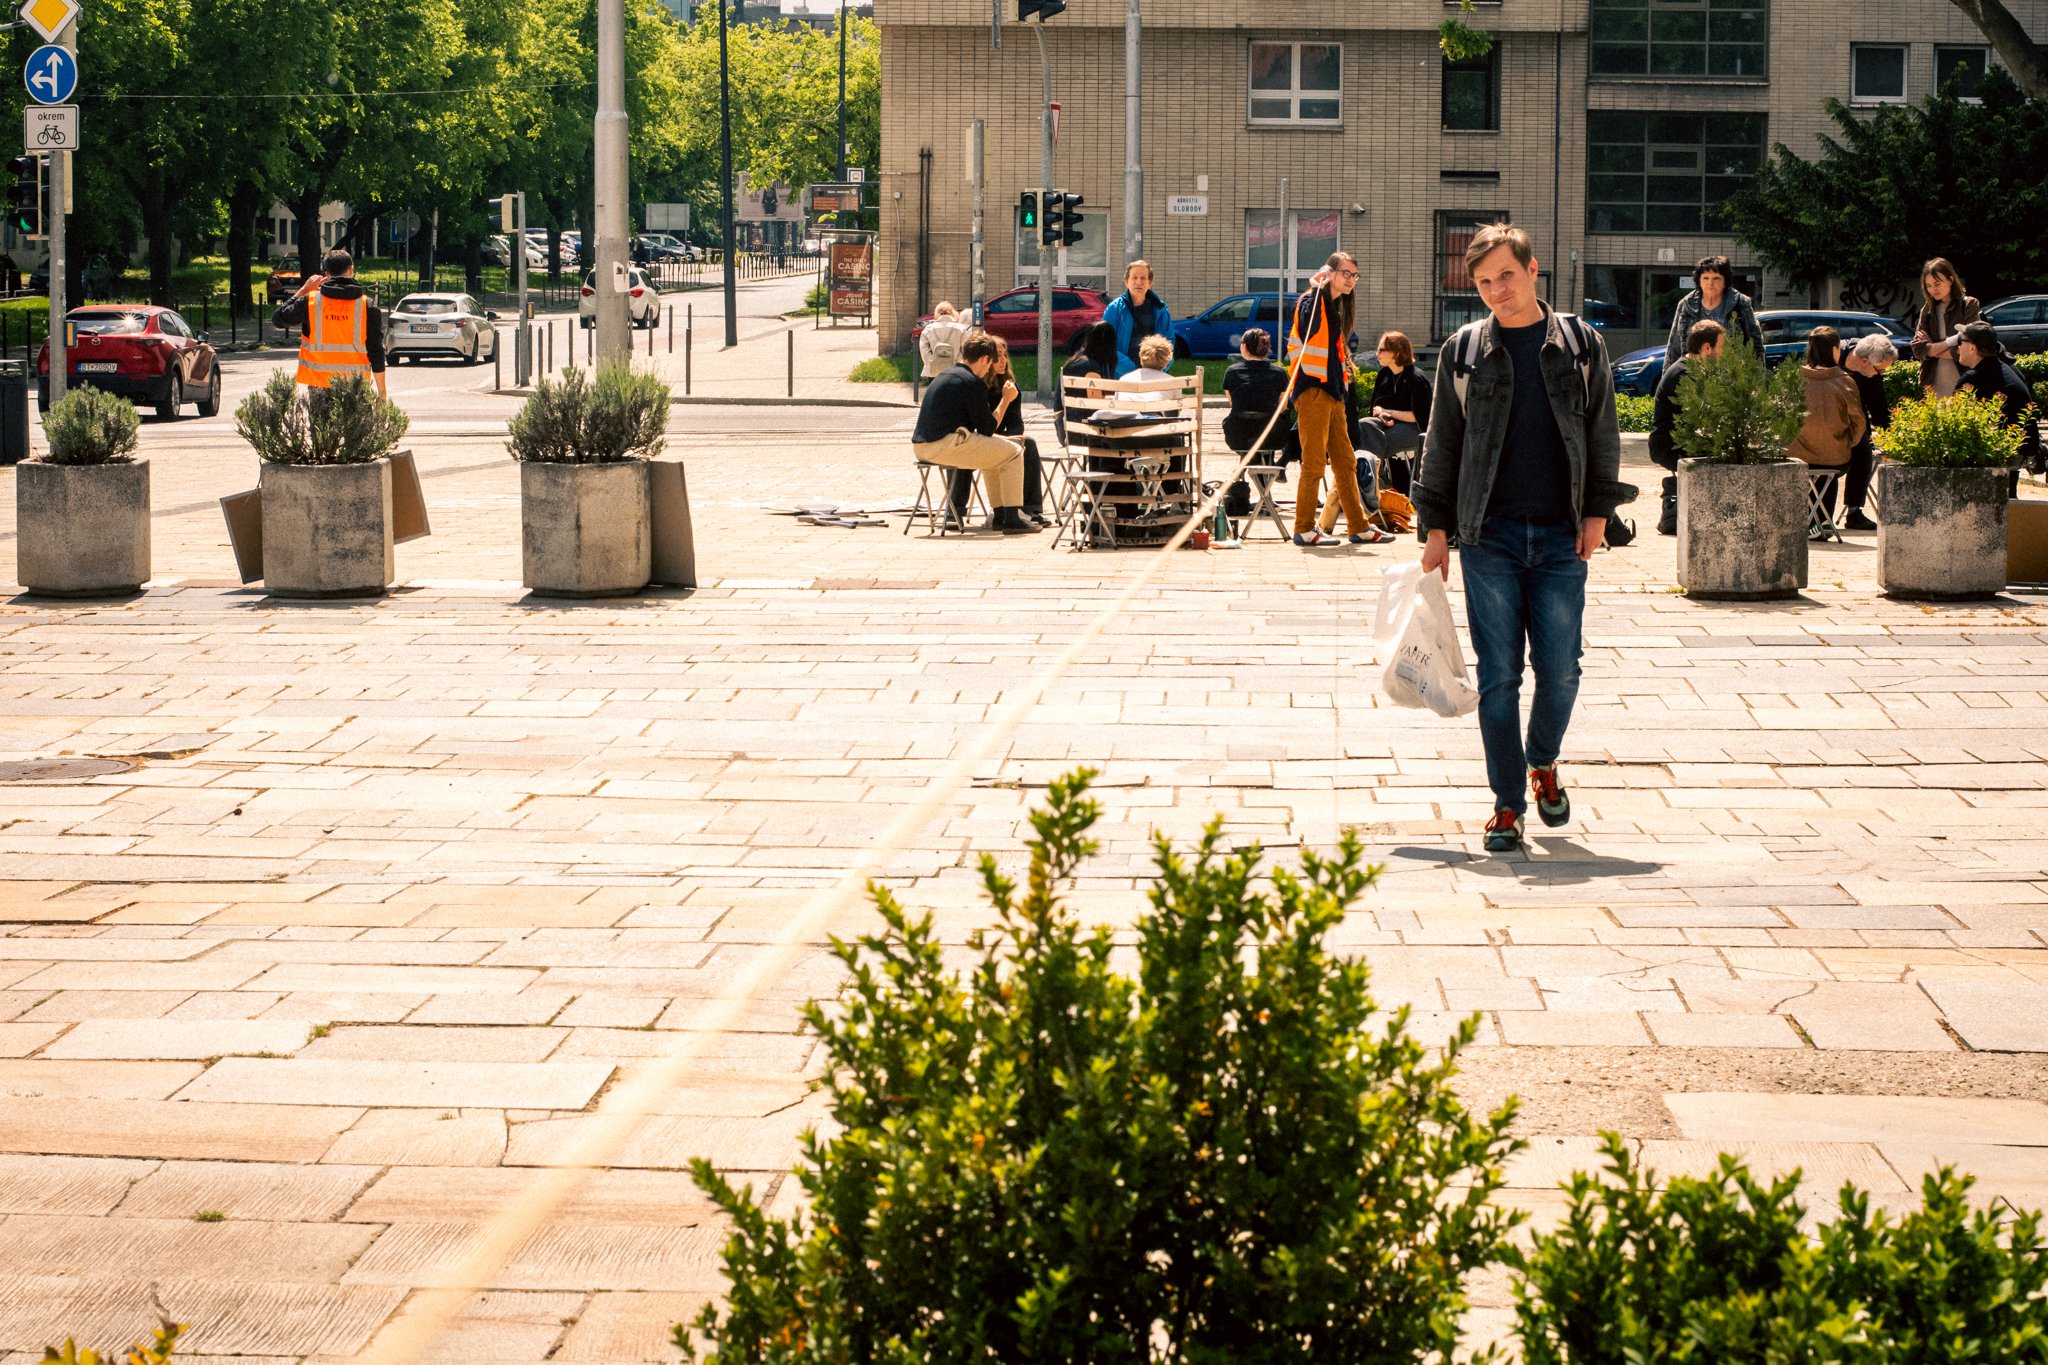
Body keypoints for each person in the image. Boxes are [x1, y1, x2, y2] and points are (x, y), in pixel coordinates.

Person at [1412, 222, 1630, 854]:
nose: (1495, 291)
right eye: (1482, 283)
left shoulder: (1582, 345)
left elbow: (1603, 434)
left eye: (1505, 275)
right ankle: (1507, 804)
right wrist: (1436, 529)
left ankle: (1543, 761)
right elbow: (1441, 446)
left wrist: (1597, 513)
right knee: (1499, 676)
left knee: (1561, 670)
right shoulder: (1464, 351)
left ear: (1534, 272)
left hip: (1563, 533)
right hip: (1490, 536)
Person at [910, 329, 1037, 534]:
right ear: (985, 359)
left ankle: (1000, 516)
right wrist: (1005, 400)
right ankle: (1011, 517)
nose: (988, 369)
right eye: (989, 364)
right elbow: (987, 428)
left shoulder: (946, 374)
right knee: (1014, 452)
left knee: (992, 453)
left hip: (922, 446)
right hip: (943, 445)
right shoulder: (972, 382)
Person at [1287, 251, 1374, 547]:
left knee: (1345, 461)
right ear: (1331, 272)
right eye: (1346, 273)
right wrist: (1319, 285)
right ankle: (1303, 528)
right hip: (1312, 391)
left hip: (1332, 392)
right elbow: (1309, 326)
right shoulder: (1313, 301)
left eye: (1354, 275)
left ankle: (1359, 526)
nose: (1351, 280)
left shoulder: (1334, 307)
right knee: (1313, 462)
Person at [954, 336, 1047, 526]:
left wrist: (1013, 437)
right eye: (998, 356)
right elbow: (976, 426)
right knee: (962, 450)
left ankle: (1031, 509)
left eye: (1005, 355)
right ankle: (955, 511)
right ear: (986, 360)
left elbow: (1015, 424)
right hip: (974, 439)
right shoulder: (974, 385)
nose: (1003, 361)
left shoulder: (1010, 388)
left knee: (1028, 443)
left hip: (998, 439)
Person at [273, 247, 388, 398]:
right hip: (355, 386)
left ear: (326, 274)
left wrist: (304, 290)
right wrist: (382, 392)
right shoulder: (367, 305)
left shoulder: (311, 302)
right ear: (351, 270)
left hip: (319, 387)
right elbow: (376, 350)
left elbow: (278, 319)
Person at [1787, 327, 1867, 537]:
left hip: (1797, 455)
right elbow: (1858, 422)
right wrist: (1848, 441)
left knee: (1811, 472)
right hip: (1835, 457)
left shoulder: (1794, 379)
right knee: (1830, 470)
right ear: (1834, 349)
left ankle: (1812, 521)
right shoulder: (1845, 382)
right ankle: (1821, 522)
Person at [1649, 319, 1725, 535]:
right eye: (1721, 347)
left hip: (1678, 441)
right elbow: (1699, 421)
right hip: (1670, 447)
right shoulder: (1684, 375)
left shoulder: (1691, 369)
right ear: (1707, 348)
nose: (1723, 353)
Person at [1957, 320, 2044, 496]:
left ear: (1972, 348)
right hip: (2016, 458)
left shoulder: (1972, 380)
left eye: (1960, 342)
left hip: (1992, 465)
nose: (1957, 347)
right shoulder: (2010, 370)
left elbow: (1955, 427)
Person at [1840, 333, 1898, 531]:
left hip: (1856, 420)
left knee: (1863, 451)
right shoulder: (1836, 353)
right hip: (1826, 418)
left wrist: (1892, 441)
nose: (1881, 375)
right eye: (1880, 371)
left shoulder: (1872, 375)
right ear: (1864, 361)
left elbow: (1879, 408)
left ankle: (1854, 511)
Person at [1663, 255, 1762, 369]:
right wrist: (1668, 379)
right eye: (1706, 278)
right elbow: (1673, 349)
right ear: (1699, 281)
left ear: (1725, 281)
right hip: (1692, 375)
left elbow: (1756, 345)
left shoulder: (1741, 303)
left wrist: (1758, 380)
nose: (1710, 283)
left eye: (1716, 278)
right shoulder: (1686, 304)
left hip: (1731, 376)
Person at [1362, 331, 1431, 495]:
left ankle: (1371, 482)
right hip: (1386, 424)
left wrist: (1389, 412)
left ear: (1396, 353)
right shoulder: (1384, 375)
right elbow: (1376, 407)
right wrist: (1383, 415)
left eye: (1381, 349)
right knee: (1362, 425)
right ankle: (1371, 479)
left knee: (1378, 438)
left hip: (1413, 429)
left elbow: (1418, 416)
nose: (1377, 353)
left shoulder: (1416, 379)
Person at [1912, 258, 1981, 398]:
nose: (1933, 290)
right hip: (1933, 379)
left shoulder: (1969, 304)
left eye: (1937, 283)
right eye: (1929, 285)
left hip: (1964, 378)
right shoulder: (1927, 309)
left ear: (1950, 280)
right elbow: (1918, 349)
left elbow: (1969, 346)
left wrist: (1932, 348)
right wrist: (1951, 342)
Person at [1101, 260, 1173, 377]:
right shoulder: (1114, 309)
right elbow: (1104, 345)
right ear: (1126, 281)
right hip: (1121, 376)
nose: (1138, 282)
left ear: (1150, 282)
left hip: (1155, 377)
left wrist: (1157, 370)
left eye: (1143, 278)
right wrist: (1132, 371)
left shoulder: (1161, 310)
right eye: (1134, 278)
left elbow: (1170, 344)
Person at [919, 301, 972, 381]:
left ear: (937, 313)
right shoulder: (960, 329)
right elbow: (964, 350)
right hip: (955, 370)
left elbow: (924, 351)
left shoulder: (928, 329)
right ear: (952, 312)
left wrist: (930, 364)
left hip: (934, 371)